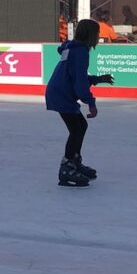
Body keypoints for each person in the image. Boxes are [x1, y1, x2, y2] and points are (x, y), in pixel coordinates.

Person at [44, 18, 114, 187]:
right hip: (62, 94)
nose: (98, 37)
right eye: (97, 34)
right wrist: (91, 102)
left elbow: (76, 76)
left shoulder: (73, 49)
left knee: (80, 126)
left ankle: (74, 161)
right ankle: (67, 167)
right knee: (76, 129)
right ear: (90, 35)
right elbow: (80, 83)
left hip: (59, 91)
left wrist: (97, 79)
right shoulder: (81, 52)